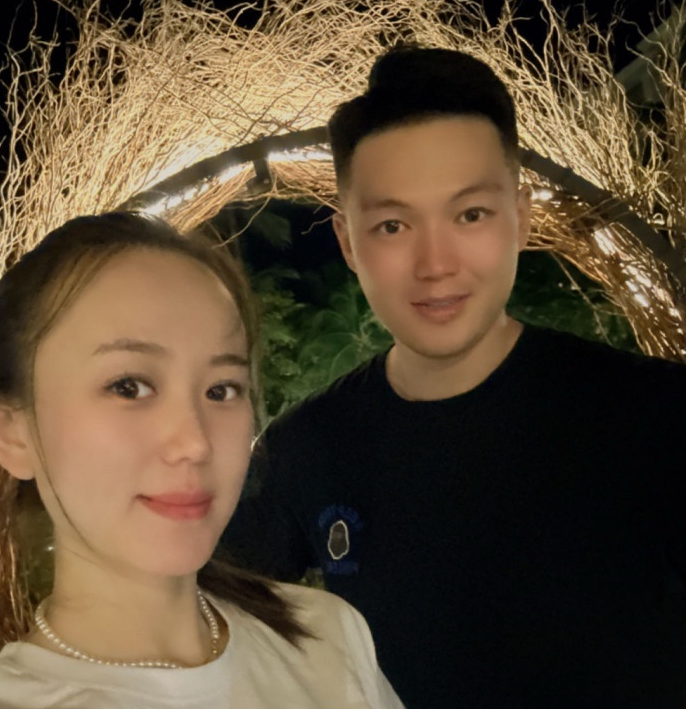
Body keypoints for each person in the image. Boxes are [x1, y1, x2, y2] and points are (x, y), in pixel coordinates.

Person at [220, 46, 686, 708]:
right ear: (349, 243)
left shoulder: (656, 413)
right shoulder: (309, 446)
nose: (435, 264)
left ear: (521, 217)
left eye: (470, 215)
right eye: (392, 225)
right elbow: (196, 607)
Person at [0, 212, 404, 709]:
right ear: (11, 431)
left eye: (221, 390)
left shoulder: (324, 638)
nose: (195, 443)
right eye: (128, 386)